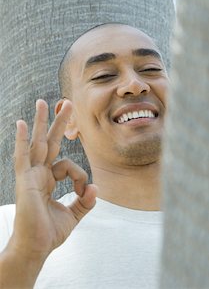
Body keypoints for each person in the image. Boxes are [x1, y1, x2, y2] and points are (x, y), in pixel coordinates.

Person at [0, 23, 169, 288]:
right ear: (68, 119)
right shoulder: (10, 229)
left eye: (150, 69)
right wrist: (27, 252)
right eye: (103, 75)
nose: (135, 85)